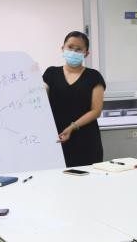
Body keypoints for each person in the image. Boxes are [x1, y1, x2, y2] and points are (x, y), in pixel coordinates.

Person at [43, 31, 106, 167]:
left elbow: (96, 111)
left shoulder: (94, 76)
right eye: (70, 47)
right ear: (63, 48)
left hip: (86, 141)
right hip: (56, 139)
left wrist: (72, 127)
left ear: (86, 53)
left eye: (78, 49)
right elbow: (41, 99)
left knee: (88, 178)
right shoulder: (51, 73)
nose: (73, 52)